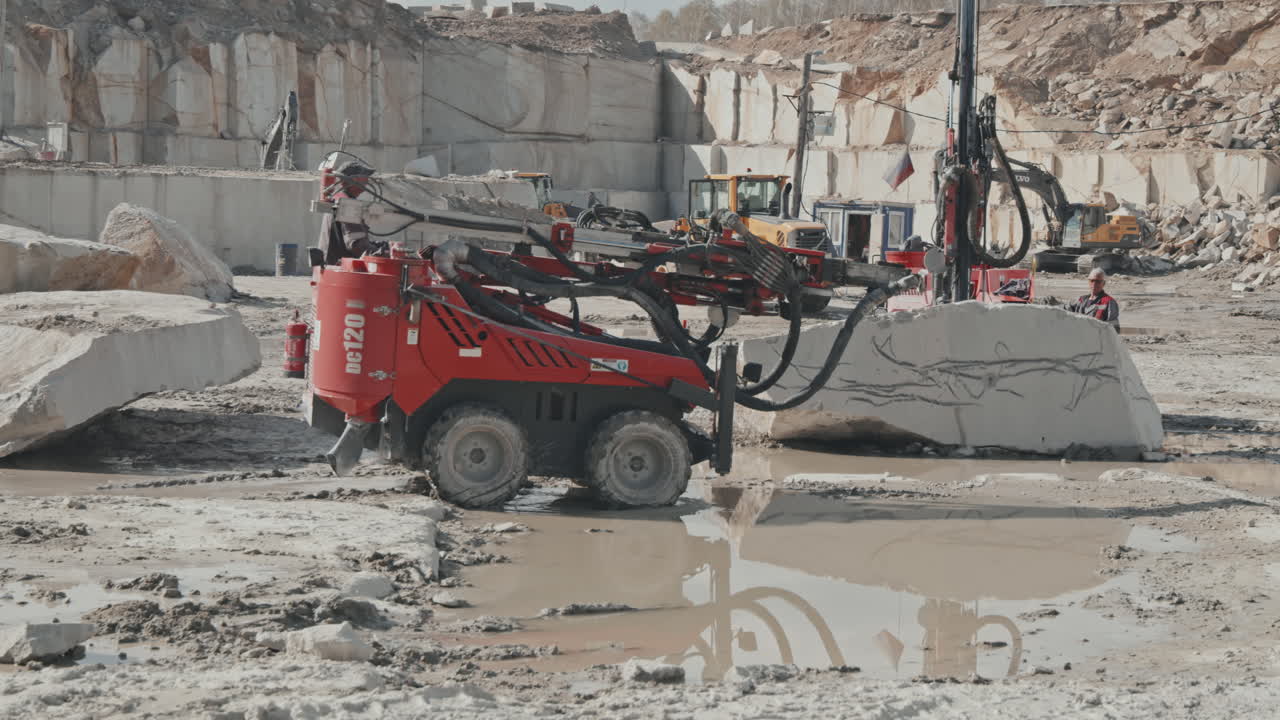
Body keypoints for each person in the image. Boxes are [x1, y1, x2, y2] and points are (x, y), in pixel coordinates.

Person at [318, 161, 376, 265]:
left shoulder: (337, 198)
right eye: (365, 177)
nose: (367, 182)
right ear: (354, 179)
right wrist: (379, 252)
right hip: (339, 269)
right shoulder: (348, 204)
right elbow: (356, 245)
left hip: (330, 265)